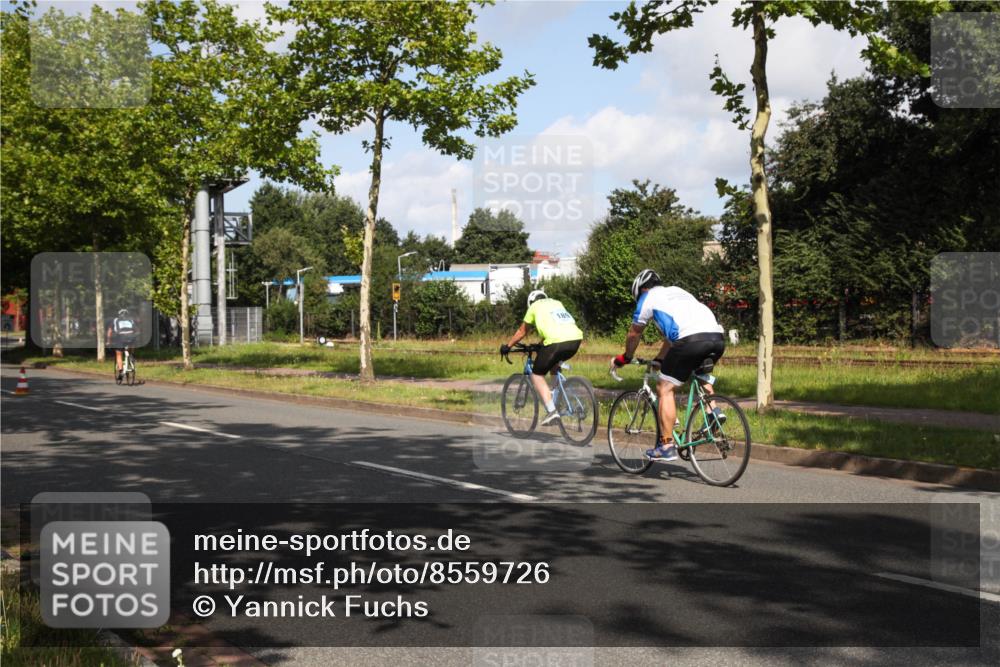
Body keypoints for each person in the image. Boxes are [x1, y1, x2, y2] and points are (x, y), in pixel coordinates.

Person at [611, 269, 726, 462]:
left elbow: (634, 333)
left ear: (641, 289)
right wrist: (660, 358)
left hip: (690, 340)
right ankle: (713, 412)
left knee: (664, 388)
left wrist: (625, 357)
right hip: (716, 338)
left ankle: (666, 445)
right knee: (700, 374)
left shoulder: (647, 298)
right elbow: (672, 335)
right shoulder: (678, 292)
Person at [500, 289, 584, 425]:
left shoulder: (534, 306)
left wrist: (508, 346)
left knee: (537, 375)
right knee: (553, 367)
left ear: (530, 302)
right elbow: (557, 326)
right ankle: (558, 401)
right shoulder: (557, 302)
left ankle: (552, 411)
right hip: (576, 339)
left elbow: (522, 331)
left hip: (556, 341)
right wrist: (541, 345)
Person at [106, 308, 138, 379]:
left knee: (119, 354)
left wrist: (108, 341)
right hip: (131, 336)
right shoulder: (131, 320)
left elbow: (109, 332)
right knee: (131, 345)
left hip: (121, 338)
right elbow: (136, 330)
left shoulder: (115, 320)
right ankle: (131, 355)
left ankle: (120, 371)